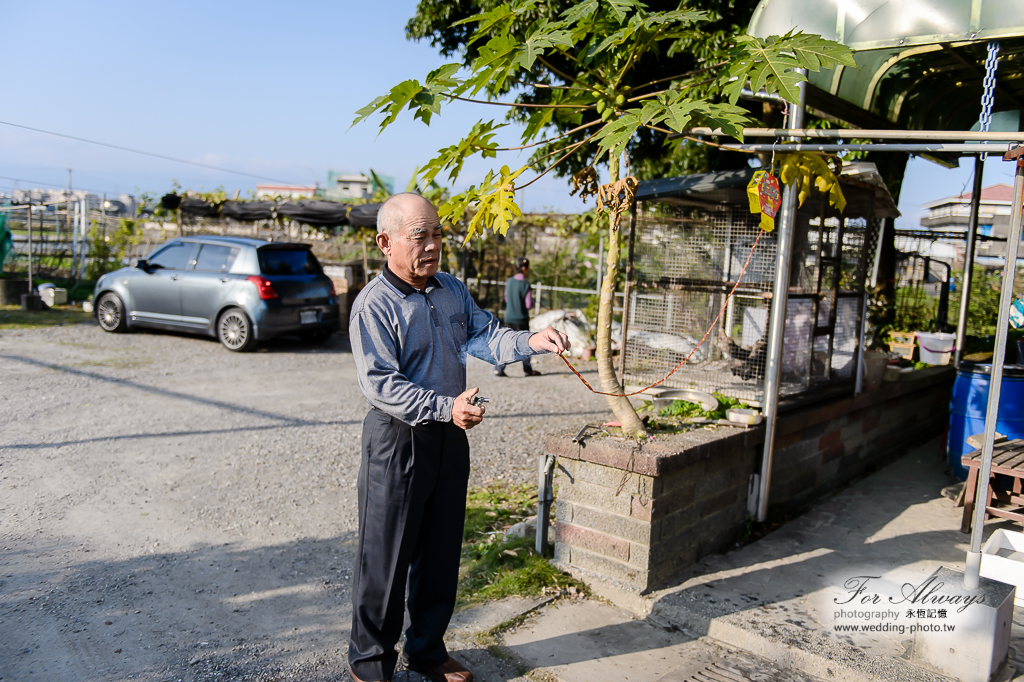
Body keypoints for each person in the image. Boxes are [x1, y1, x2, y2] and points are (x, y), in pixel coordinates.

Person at [347, 193, 570, 682]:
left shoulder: (450, 290)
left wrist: (531, 340)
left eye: (437, 234)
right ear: (386, 243)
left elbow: (485, 336)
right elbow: (380, 383)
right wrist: (445, 407)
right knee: (385, 559)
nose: (432, 246)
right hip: (397, 440)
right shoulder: (374, 305)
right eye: (418, 235)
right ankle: (370, 666)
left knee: (441, 552)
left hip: (450, 436)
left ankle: (426, 651)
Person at [494, 256, 541, 377]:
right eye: (528, 268)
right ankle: (527, 370)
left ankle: (498, 368)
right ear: (524, 268)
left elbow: (506, 298)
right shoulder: (526, 285)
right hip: (521, 320)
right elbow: (528, 305)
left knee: (506, 343)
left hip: (509, 318)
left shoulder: (509, 281)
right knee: (525, 344)